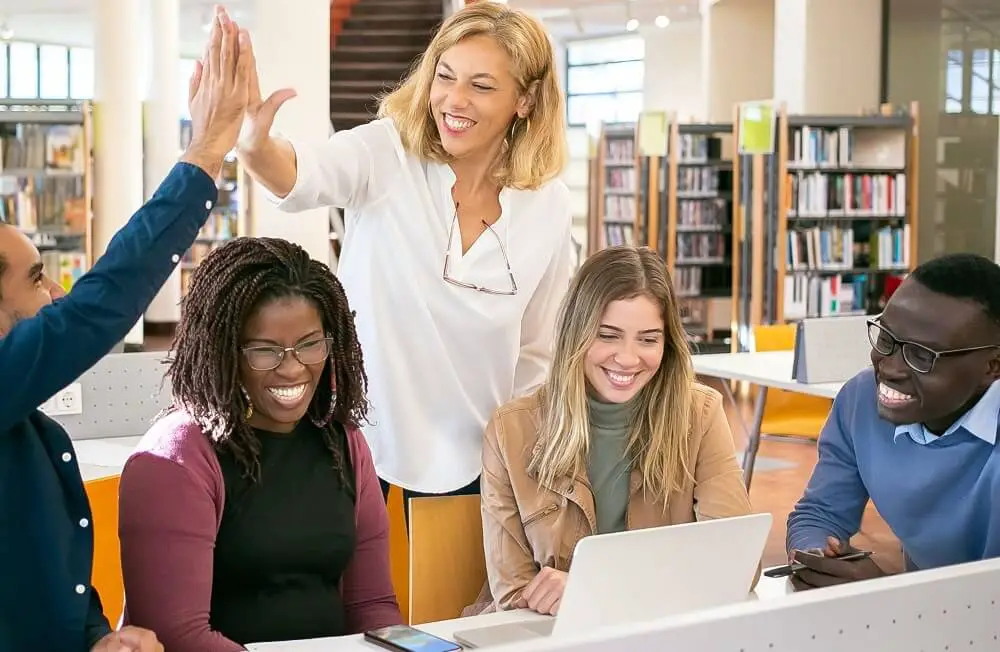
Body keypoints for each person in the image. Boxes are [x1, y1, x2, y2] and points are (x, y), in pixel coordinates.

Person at [230, 1, 573, 505]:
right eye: (445, 76)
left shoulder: (548, 203)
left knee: (455, 588)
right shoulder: (389, 153)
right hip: (360, 450)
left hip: (480, 467)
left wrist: (519, 463)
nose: (453, 100)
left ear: (526, 100)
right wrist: (255, 147)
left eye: (481, 86)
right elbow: (305, 175)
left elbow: (538, 351)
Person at [0, 10, 251, 652]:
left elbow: (34, 583)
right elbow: (98, 303)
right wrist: (203, 155)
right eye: (35, 279)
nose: (53, 293)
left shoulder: (33, 429)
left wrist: (95, 640)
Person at [117, 237, 402, 651]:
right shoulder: (176, 457)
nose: (292, 369)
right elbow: (178, 637)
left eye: (310, 345)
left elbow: (373, 605)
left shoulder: (345, 443)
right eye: (265, 352)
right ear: (224, 351)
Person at [469, 246, 755, 616]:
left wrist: (596, 588)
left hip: (659, 630)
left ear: (667, 344)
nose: (627, 358)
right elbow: (514, 596)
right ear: (578, 333)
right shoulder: (510, 431)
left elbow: (738, 564)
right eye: (608, 335)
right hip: (548, 636)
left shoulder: (700, 414)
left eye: (648, 339)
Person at [786, 253, 1000, 591]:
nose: (889, 367)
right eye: (886, 338)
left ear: (993, 366)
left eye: (921, 355)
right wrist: (816, 553)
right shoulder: (860, 400)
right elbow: (820, 513)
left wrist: (887, 592)